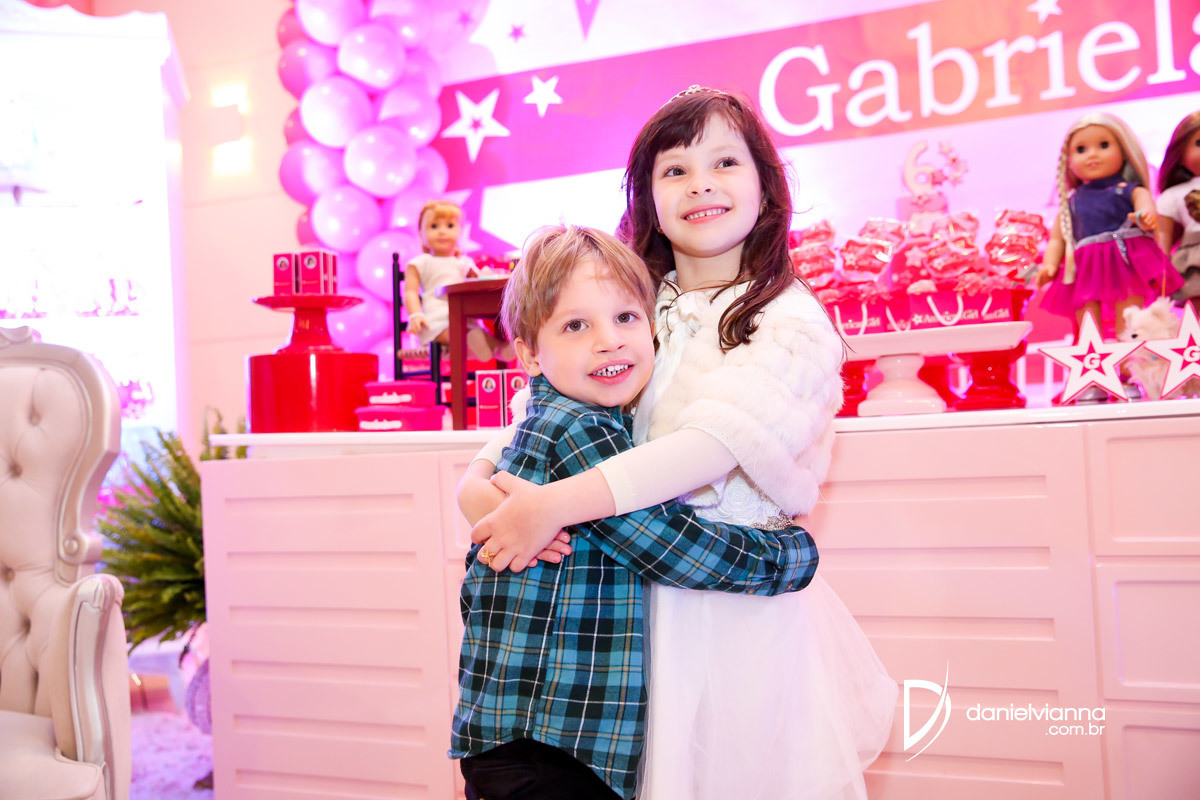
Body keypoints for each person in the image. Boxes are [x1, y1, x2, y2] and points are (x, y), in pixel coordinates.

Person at [465, 87, 896, 799]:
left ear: (766, 185)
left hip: (729, 610)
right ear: (647, 197)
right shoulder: (632, 302)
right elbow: (538, 406)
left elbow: (711, 444)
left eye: (724, 162)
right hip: (624, 617)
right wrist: (476, 488)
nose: (700, 184)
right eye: (675, 170)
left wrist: (552, 505)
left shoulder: (789, 321)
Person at [451, 224, 822, 800]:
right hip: (550, 743)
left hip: (518, 732)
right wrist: (788, 556)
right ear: (528, 354)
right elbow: (662, 543)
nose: (609, 341)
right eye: (576, 326)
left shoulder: (556, 421)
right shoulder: (582, 430)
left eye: (625, 318)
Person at [1036, 113, 1183, 338]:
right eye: (1081, 149)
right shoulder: (1071, 202)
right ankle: (1089, 354)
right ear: (1068, 161)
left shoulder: (1131, 190)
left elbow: (1147, 209)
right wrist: (1050, 265)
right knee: (1086, 315)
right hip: (1085, 265)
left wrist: (1144, 218)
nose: (1092, 154)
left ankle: (1129, 355)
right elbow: (1057, 238)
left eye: (1104, 145)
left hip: (1125, 259)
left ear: (1124, 151)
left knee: (1129, 314)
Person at [404, 199, 511, 361]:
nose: (442, 232)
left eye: (449, 226)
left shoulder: (463, 262)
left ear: (460, 231)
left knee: (477, 332)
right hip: (435, 320)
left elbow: (477, 284)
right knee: (456, 332)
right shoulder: (420, 263)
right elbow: (410, 292)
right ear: (421, 232)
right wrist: (415, 315)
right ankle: (477, 345)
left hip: (464, 317)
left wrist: (480, 275)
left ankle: (498, 350)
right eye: (434, 226)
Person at [1156, 110, 1200, 312]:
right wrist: (1161, 267)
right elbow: (1163, 236)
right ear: (1180, 156)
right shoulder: (1173, 195)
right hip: (1194, 258)